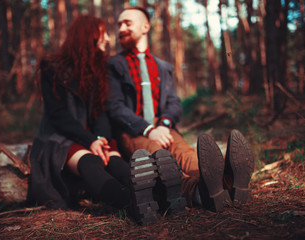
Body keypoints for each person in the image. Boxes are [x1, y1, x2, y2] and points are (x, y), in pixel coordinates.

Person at [106, 6, 255, 213]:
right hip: (132, 129)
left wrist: (165, 124)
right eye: (119, 24)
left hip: (162, 125)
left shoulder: (163, 67)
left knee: (186, 153)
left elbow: (174, 103)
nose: (121, 28)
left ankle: (225, 184)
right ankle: (198, 192)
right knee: (157, 156)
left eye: (127, 23)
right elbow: (115, 107)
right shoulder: (113, 65)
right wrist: (148, 130)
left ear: (145, 26)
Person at [29, 15, 132, 211]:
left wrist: (101, 139)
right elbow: (57, 115)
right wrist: (90, 140)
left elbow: (101, 112)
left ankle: (157, 194)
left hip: (92, 135)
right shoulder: (52, 67)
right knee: (90, 162)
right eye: (105, 33)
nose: (109, 39)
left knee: (115, 161)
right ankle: (130, 203)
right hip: (60, 138)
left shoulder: (100, 68)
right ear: (90, 35)